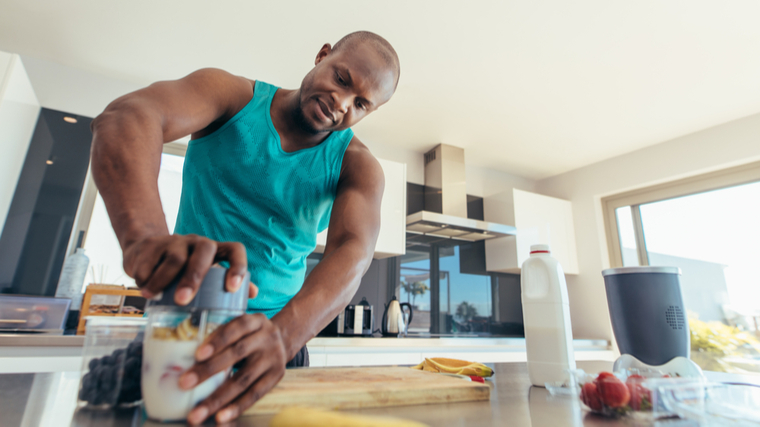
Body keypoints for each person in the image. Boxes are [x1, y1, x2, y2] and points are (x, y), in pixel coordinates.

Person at [90, 31, 400, 424]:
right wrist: (144, 237)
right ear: (322, 55)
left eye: (360, 103)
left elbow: (353, 250)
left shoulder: (358, 165)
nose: (341, 104)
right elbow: (127, 117)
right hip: (183, 330)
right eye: (341, 79)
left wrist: (284, 337)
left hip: (272, 343)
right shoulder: (231, 97)